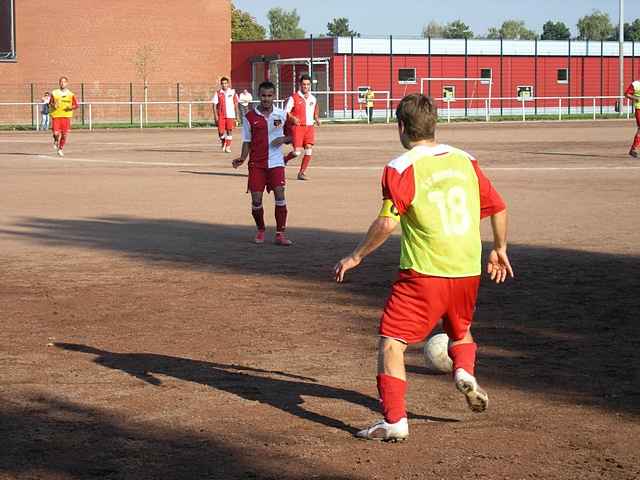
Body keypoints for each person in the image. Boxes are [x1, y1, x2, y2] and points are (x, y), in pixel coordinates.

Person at [334, 93, 513, 442]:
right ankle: (463, 370)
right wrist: (500, 249)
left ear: (401, 126)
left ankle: (395, 421)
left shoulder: (400, 168)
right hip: (467, 269)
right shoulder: (466, 160)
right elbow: (499, 207)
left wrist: (355, 256)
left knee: (392, 343)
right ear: (434, 124)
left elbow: (387, 224)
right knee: (460, 331)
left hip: (423, 274)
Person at [232, 81, 293, 246]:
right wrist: (242, 158)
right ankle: (261, 229)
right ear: (259, 96)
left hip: (276, 163)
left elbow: (292, 136)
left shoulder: (281, 115)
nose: (266, 99)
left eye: (270, 95)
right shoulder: (250, 117)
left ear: (274, 96)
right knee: (256, 200)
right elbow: (247, 141)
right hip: (257, 164)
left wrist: (284, 138)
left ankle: (280, 234)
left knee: (280, 195)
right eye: (264, 96)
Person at [284, 74, 321, 181]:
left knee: (309, 149)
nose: (306, 86)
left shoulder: (313, 98)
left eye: (308, 84)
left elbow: (315, 108)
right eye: (304, 84)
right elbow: (286, 111)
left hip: (309, 127)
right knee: (297, 152)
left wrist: (317, 118)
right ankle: (285, 159)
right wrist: (292, 118)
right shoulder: (293, 97)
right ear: (300, 85)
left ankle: (302, 173)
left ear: (310, 86)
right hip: (298, 128)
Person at [49, 77, 78, 157]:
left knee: (64, 135)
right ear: (59, 83)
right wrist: (53, 105)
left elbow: (76, 105)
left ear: (67, 83)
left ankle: (60, 149)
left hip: (66, 116)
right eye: (61, 82)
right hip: (56, 115)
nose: (62, 83)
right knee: (56, 133)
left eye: (64, 82)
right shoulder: (54, 93)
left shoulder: (71, 94)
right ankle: (55, 139)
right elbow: (50, 102)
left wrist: (70, 108)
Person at [212, 77, 240, 153]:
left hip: (231, 115)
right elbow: (214, 105)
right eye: (223, 83)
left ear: (228, 84)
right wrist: (215, 116)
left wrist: (237, 117)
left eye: (225, 83)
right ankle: (223, 140)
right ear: (221, 84)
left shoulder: (233, 92)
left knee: (229, 131)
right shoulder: (218, 93)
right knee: (220, 132)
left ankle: (228, 147)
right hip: (221, 115)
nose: (224, 85)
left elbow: (236, 104)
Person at [624, 80, 640, 158]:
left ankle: (633, 149)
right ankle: (633, 149)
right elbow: (626, 94)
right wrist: (636, 98)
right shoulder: (636, 84)